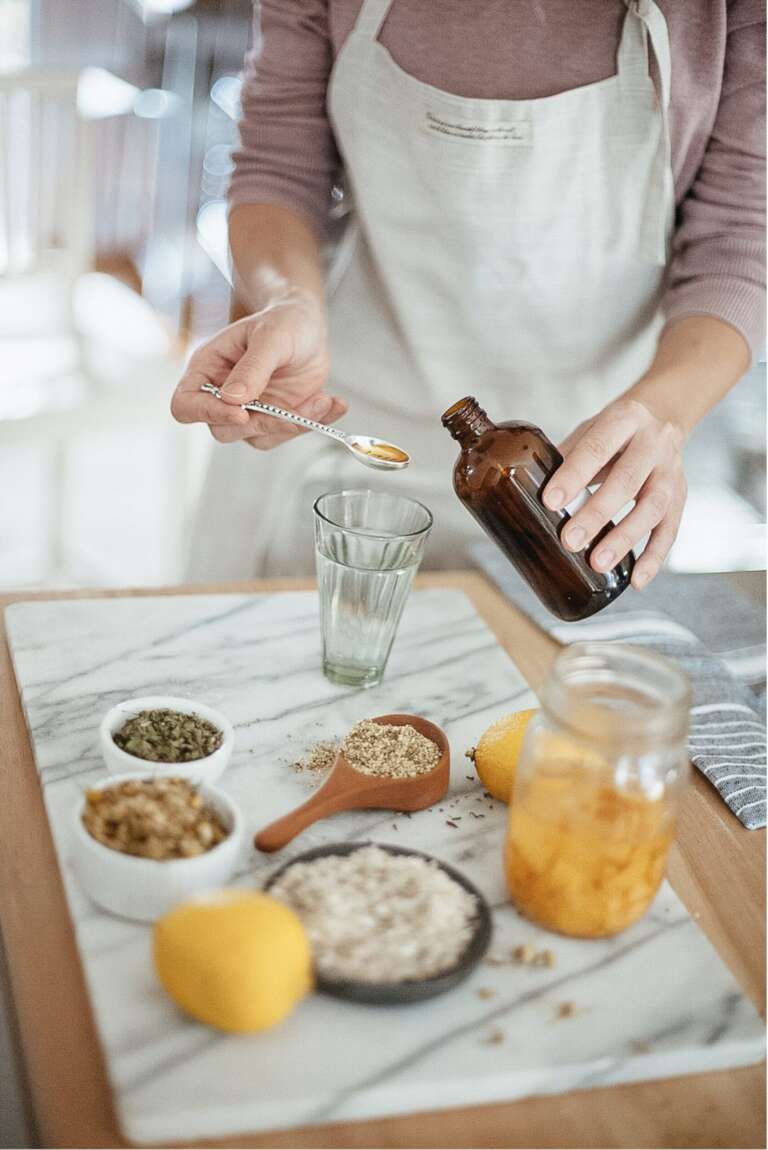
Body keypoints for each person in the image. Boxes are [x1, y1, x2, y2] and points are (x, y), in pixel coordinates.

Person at [173, 0, 765, 583]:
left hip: (581, 475)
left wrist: (666, 411)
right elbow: (279, 167)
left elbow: (741, 240)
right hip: (333, 423)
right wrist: (289, 302)